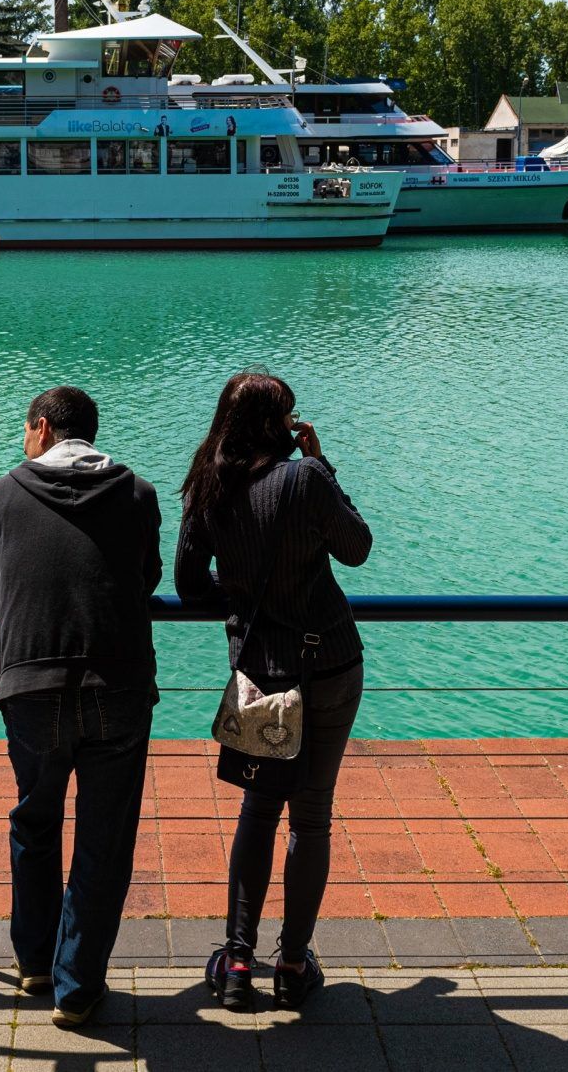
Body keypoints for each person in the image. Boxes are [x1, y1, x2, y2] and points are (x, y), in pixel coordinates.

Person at [176, 371, 372, 1012]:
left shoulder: (206, 485)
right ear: (277, 424)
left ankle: (237, 961)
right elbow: (357, 549)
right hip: (331, 665)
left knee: (258, 813)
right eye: (289, 417)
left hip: (262, 672)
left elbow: (188, 585)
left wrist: (238, 599)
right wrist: (323, 465)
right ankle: (292, 964)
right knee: (311, 816)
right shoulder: (306, 478)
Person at [0, 386, 162, 1029]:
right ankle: (77, 986)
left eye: (25, 430)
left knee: (35, 819)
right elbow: (148, 576)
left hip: (31, 683)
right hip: (120, 686)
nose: (23, 441)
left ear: (42, 428)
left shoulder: (1, 495)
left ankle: (34, 962)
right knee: (104, 837)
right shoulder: (137, 494)